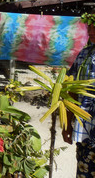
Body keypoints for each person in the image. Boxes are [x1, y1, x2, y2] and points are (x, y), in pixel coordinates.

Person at [62, 11, 95, 177]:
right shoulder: (83, 54)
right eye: (90, 27)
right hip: (85, 130)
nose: (91, 31)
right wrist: (67, 124)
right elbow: (72, 91)